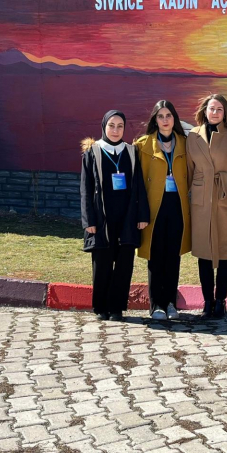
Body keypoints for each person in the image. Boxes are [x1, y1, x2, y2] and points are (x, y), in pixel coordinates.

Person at [80, 110, 149, 322]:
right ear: (104, 126)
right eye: (111, 125)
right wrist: (89, 221)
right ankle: (101, 307)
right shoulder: (93, 152)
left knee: (124, 264)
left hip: (127, 217)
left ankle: (117, 308)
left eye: (120, 126)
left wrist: (142, 215)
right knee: (102, 263)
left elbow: (139, 185)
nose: (116, 130)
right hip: (102, 218)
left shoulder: (131, 152)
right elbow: (85, 188)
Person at [135, 100, 191, 321]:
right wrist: (140, 212)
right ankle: (156, 304)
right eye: (161, 116)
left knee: (173, 256)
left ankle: (170, 303)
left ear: (174, 119)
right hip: (154, 207)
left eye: (169, 116)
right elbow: (138, 183)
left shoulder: (185, 143)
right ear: (155, 120)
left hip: (177, 206)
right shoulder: (143, 145)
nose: (165, 120)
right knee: (155, 255)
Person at [186, 94, 227, 319]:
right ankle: (208, 300)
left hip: (225, 197)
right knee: (204, 251)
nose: (215, 112)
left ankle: (221, 301)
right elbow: (188, 170)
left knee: (225, 250)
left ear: (225, 112)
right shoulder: (193, 135)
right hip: (201, 199)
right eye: (211, 108)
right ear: (204, 111)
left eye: (219, 109)